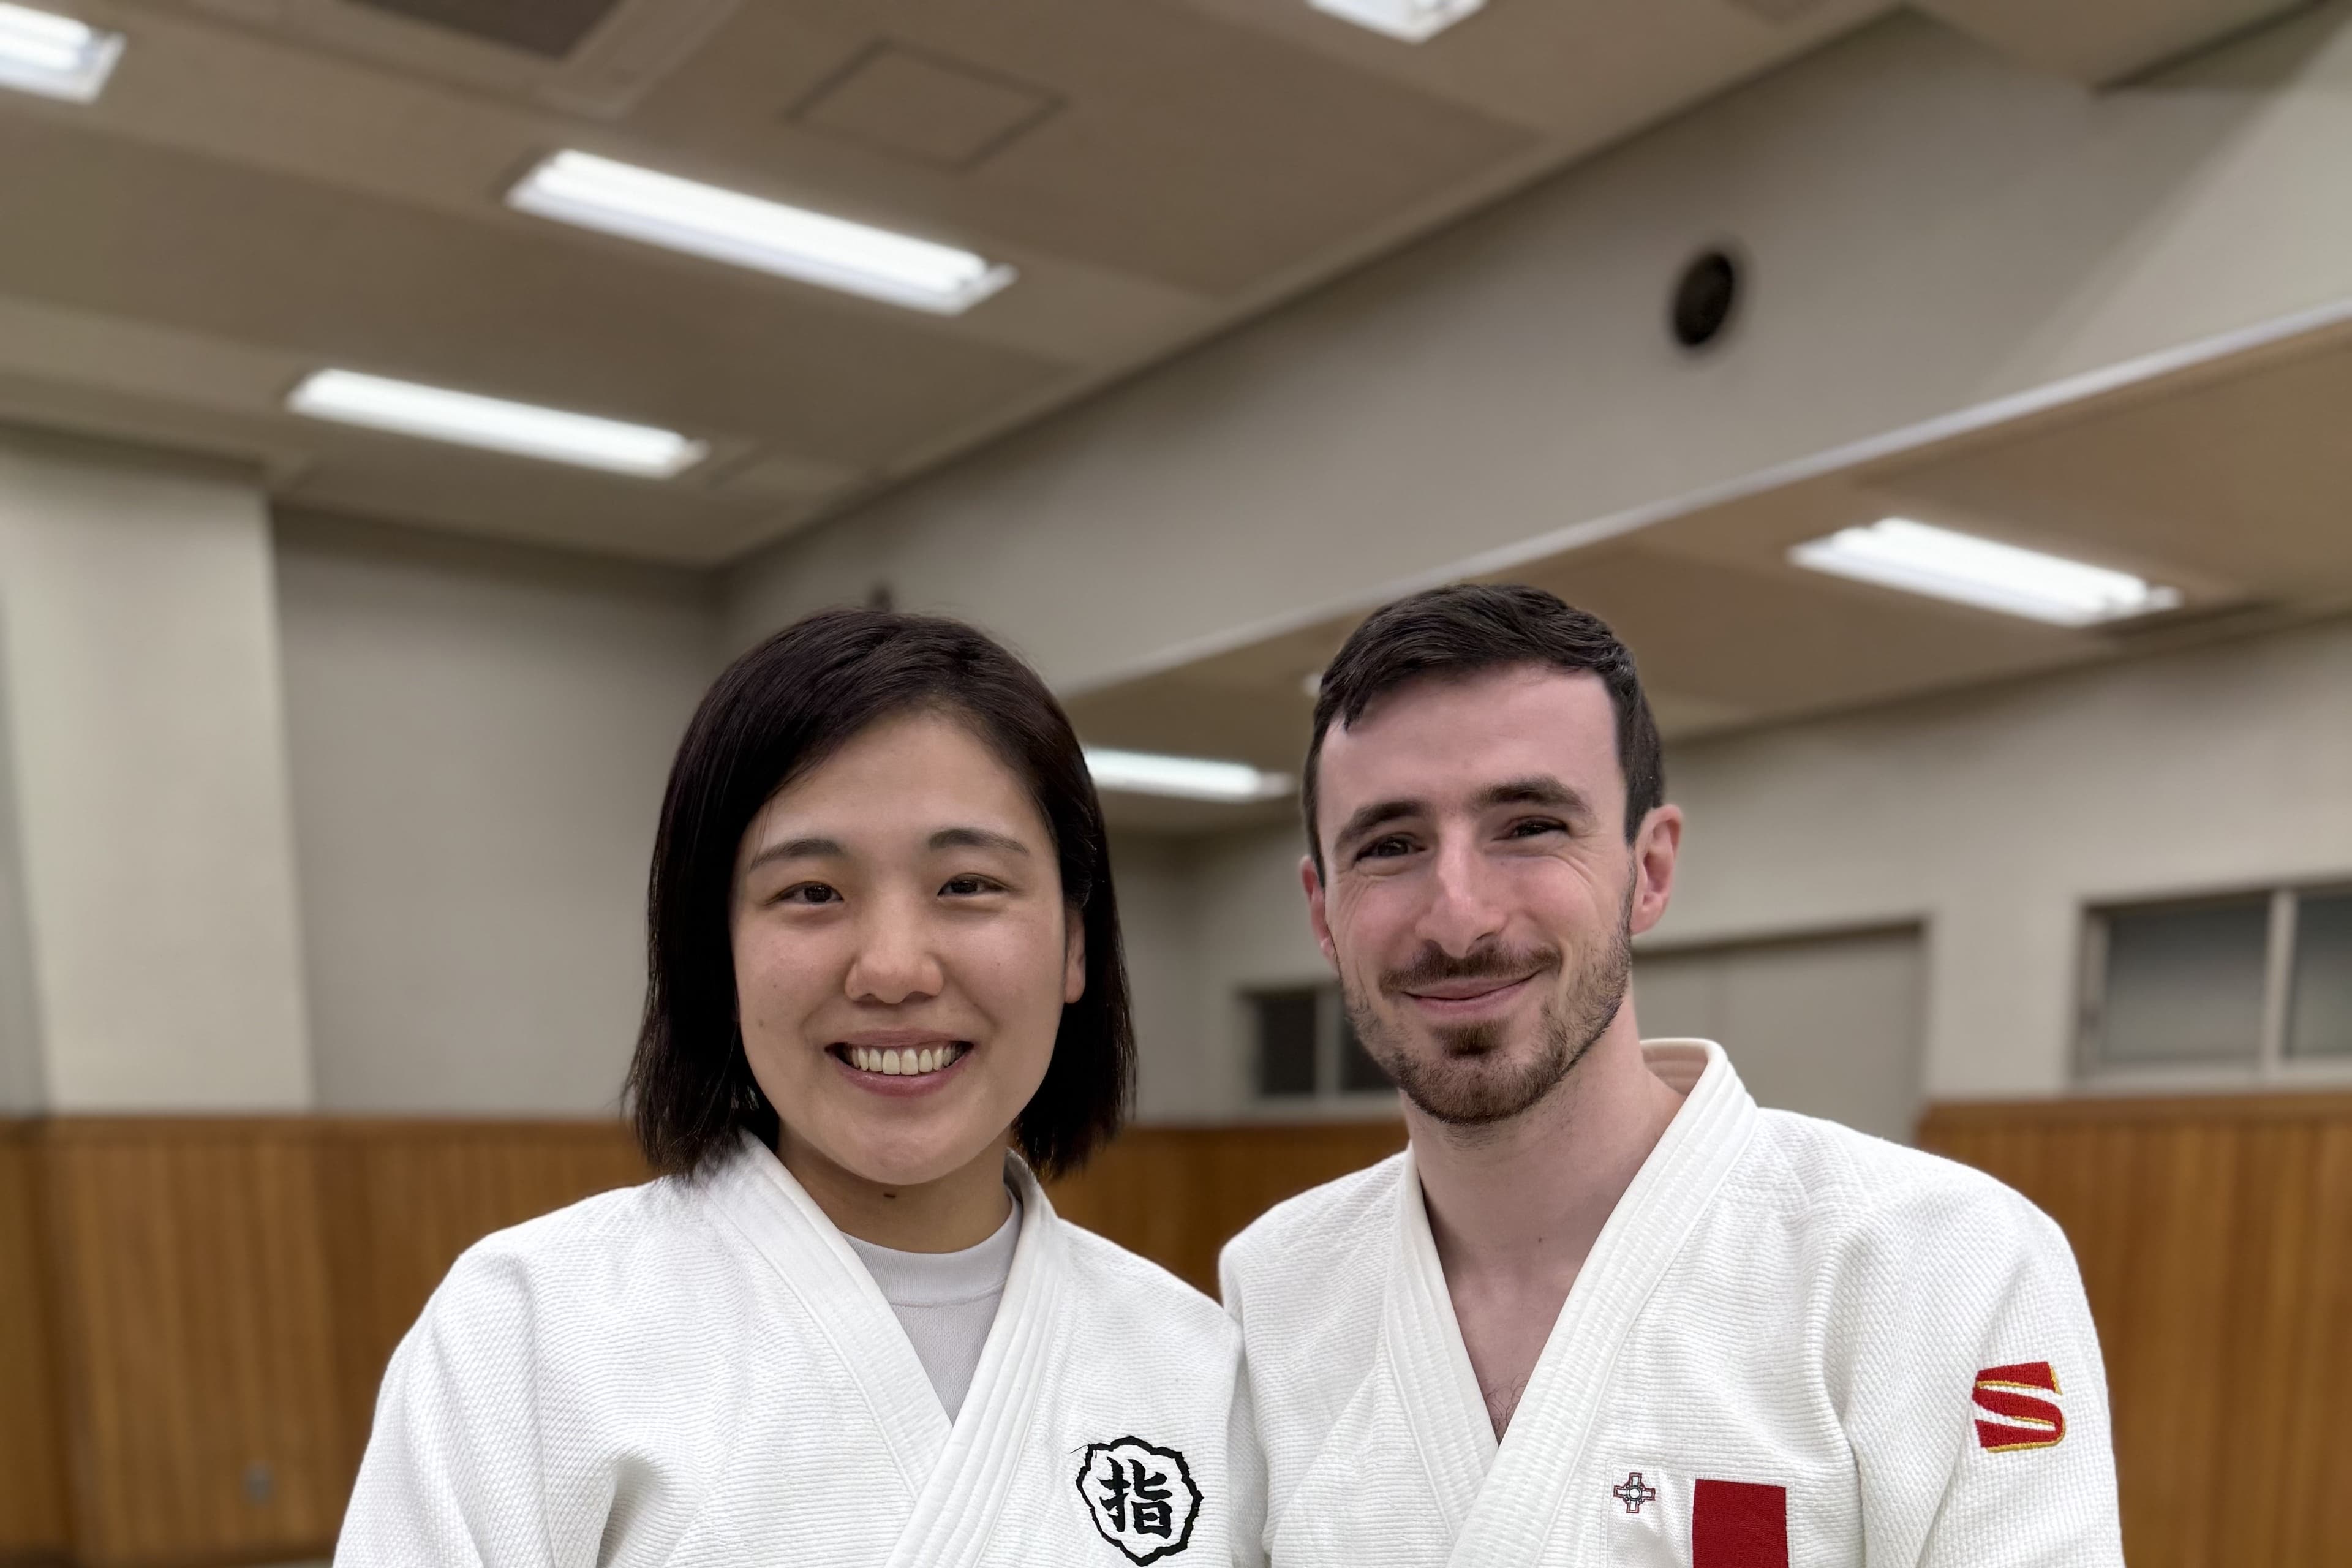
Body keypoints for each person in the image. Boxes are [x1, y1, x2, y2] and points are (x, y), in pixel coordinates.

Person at [1220, 584, 2122, 1567]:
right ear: (1322, 910)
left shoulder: (1942, 1265)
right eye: (1390, 846)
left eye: (1529, 826)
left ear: (1648, 872)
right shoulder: (1274, 1287)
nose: (1459, 918)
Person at [340, 609, 1253, 1567]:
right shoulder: (530, 1330)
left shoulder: (1189, 1360)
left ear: (1075, 941)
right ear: (713, 949)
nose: (894, 969)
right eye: (811, 893)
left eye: (970, 884)